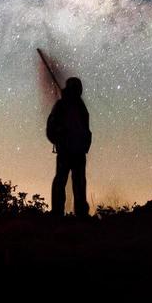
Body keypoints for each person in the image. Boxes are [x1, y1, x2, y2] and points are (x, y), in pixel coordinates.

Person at [47, 76, 91, 218]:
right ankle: (57, 213)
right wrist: (60, 138)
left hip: (78, 151)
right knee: (61, 181)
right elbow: (51, 128)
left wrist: (85, 144)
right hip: (66, 150)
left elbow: (85, 128)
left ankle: (80, 214)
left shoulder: (80, 107)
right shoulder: (61, 106)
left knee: (79, 183)